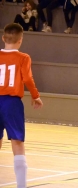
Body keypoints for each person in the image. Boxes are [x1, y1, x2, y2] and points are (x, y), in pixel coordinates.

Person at [0, 23, 43, 188]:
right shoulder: (23, 58)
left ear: (3, 38)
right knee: (17, 142)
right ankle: (21, 186)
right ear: (20, 40)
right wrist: (35, 96)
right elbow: (27, 79)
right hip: (11, 103)